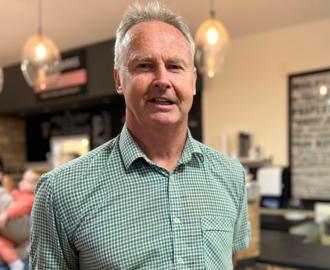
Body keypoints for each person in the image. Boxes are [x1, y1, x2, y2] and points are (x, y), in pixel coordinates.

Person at [30, 2, 250, 269]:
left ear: (193, 81)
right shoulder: (60, 192)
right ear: (119, 80)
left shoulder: (230, 175)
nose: (162, 79)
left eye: (175, 66)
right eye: (144, 65)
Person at [0, 169, 40, 270]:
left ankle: (15, 264)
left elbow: (20, 206)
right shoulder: (18, 194)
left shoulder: (32, 198)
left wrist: (6, 214)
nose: (22, 182)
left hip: (23, 236)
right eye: (23, 179)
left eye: (28, 181)